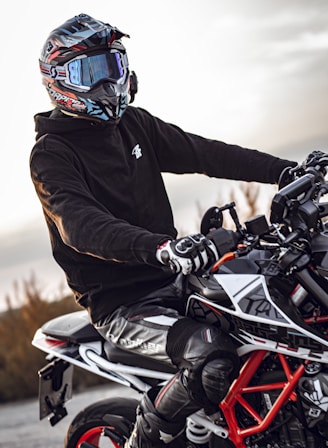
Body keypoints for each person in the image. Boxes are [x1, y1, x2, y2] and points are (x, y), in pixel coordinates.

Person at [30, 14, 296, 448]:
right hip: (121, 303)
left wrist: (288, 170)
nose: (108, 82)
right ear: (61, 80)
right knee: (210, 356)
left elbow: (206, 153)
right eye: (91, 72)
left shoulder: (133, 123)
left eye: (112, 66)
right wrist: (161, 248)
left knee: (278, 308)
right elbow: (80, 225)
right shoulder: (51, 155)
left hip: (176, 278)